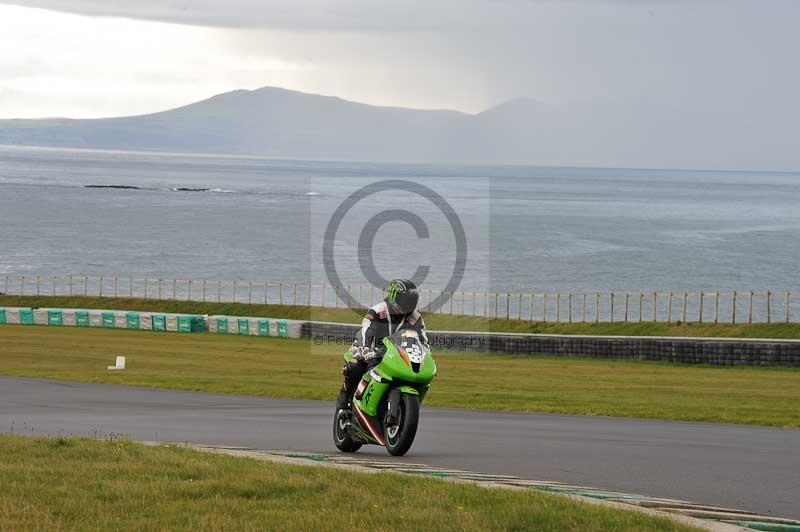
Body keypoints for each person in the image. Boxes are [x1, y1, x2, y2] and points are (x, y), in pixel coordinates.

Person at [336, 279, 429, 410]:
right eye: (405, 300)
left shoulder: (415, 318)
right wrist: (366, 348)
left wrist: (427, 356)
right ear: (393, 296)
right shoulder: (378, 311)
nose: (408, 304)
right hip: (370, 349)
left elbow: (423, 341)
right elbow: (366, 330)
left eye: (411, 301)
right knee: (355, 366)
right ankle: (345, 398)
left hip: (396, 354)